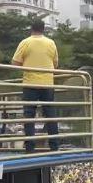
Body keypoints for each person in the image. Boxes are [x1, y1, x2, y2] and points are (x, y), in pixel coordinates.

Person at [12, 18, 59, 152]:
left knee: (29, 115)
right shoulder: (51, 43)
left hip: (30, 83)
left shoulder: (25, 42)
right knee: (50, 114)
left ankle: (30, 147)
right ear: (43, 29)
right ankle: (54, 146)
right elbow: (55, 64)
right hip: (47, 84)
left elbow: (15, 62)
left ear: (31, 29)